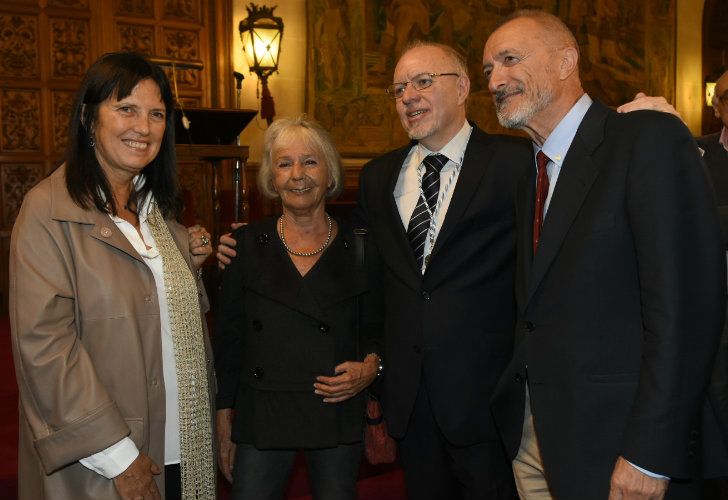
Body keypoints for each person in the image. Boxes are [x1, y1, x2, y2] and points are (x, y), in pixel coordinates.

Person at [483, 10, 726, 499]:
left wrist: (649, 456)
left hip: (622, 451)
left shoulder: (644, 139)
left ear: (565, 61)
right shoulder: (532, 174)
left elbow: (685, 313)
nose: (495, 79)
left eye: (510, 59)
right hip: (539, 443)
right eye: (487, 69)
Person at [9, 51, 216, 500]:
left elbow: (175, 325)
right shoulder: (48, 211)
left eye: (156, 114)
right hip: (104, 462)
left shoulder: (159, 216)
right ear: (89, 118)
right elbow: (45, 348)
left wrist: (188, 271)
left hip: (182, 447)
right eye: (126, 109)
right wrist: (119, 456)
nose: (143, 127)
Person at [213, 116, 383, 500]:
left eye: (310, 162)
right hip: (264, 409)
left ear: (329, 174)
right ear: (272, 179)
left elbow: (380, 326)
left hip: (336, 406)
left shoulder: (362, 247)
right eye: (284, 163)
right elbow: (229, 342)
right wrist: (224, 422)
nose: (297, 175)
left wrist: (372, 367)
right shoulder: (243, 246)